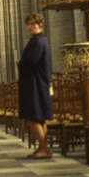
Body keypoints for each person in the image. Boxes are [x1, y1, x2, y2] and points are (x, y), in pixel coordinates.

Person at [17, 12, 53, 159]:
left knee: (33, 116)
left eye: (33, 24)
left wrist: (20, 63)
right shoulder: (40, 40)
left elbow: (31, 60)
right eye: (29, 24)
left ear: (40, 24)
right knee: (40, 117)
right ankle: (42, 147)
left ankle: (44, 148)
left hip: (35, 84)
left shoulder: (38, 41)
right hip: (38, 82)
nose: (30, 26)